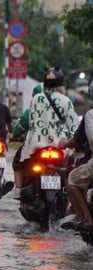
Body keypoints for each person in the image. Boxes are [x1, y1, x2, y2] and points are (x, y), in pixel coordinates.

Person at [16, 66, 79, 197]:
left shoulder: (36, 99)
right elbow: (73, 128)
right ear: (62, 84)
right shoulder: (66, 101)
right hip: (60, 147)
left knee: (25, 167)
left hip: (37, 146)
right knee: (69, 175)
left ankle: (22, 191)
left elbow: (32, 124)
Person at [58, 80, 93, 232]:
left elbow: (76, 141)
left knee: (72, 179)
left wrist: (65, 144)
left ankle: (85, 217)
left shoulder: (90, 115)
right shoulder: (69, 105)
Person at [10, 84, 43, 197]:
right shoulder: (57, 110)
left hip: (34, 146)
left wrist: (14, 136)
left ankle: (18, 189)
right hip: (56, 145)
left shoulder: (30, 112)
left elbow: (17, 131)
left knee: (17, 163)